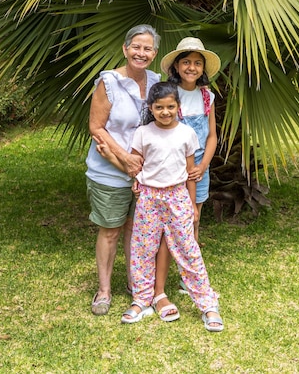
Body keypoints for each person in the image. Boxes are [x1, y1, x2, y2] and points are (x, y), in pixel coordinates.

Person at [110, 82, 223, 331]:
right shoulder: (142, 133)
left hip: (177, 197)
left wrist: (192, 205)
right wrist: (136, 182)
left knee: (188, 250)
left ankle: (207, 304)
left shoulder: (186, 134)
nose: (165, 112)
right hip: (149, 199)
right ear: (151, 108)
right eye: (159, 107)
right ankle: (142, 300)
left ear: (178, 107)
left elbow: (191, 173)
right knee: (142, 250)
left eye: (170, 106)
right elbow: (136, 164)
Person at [86, 24, 160, 315]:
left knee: (134, 228)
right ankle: (104, 289)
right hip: (109, 172)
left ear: (154, 53)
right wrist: (124, 159)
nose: (141, 53)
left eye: (148, 48)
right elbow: (96, 127)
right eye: (136, 47)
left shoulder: (155, 81)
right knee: (111, 231)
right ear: (125, 48)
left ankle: (134, 282)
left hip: (142, 174)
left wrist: (138, 166)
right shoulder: (109, 82)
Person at [155, 37, 221, 305]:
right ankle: (158, 278)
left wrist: (203, 165)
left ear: (203, 68)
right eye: (186, 62)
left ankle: (189, 277)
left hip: (198, 170)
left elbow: (213, 136)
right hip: (171, 169)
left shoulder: (208, 96)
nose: (191, 67)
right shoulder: (168, 95)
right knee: (167, 224)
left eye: (197, 63)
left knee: (193, 220)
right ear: (177, 66)